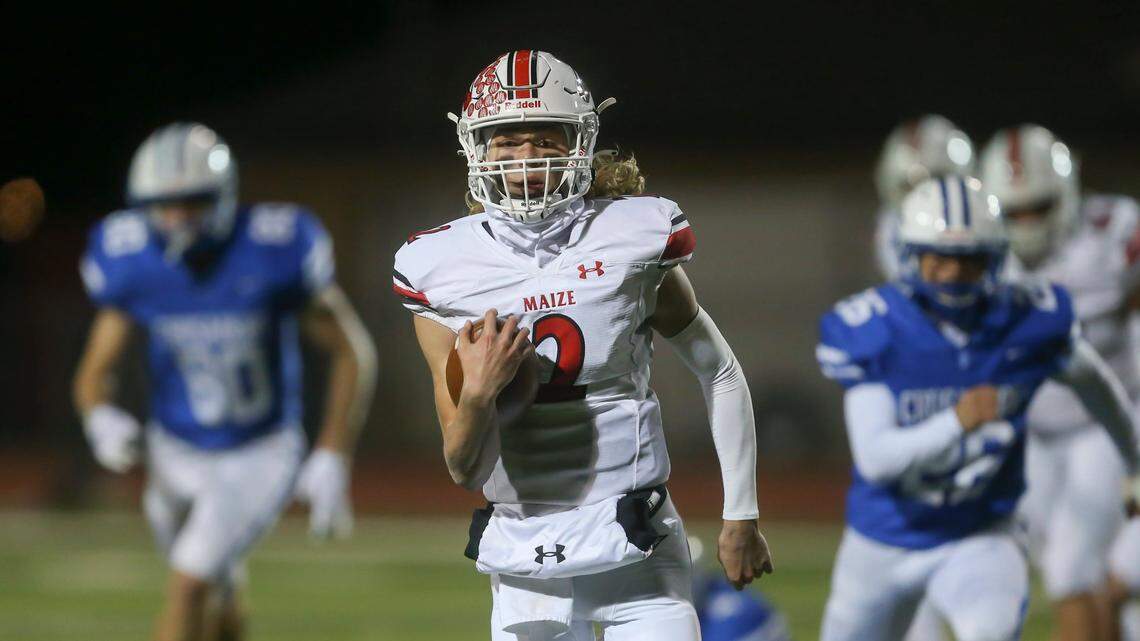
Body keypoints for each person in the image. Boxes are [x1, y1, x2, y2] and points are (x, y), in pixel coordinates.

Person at [394, 50, 772, 640]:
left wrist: (740, 513)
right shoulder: (440, 268)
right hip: (526, 556)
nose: (526, 158)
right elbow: (464, 467)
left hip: (638, 538)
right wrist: (478, 397)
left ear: (580, 142)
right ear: (476, 149)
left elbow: (718, 372)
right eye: (506, 140)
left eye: (545, 138)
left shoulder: (632, 235)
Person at [73, 122, 377, 641]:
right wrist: (98, 416)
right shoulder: (131, 259)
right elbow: (94, 370)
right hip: (172, 449)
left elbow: (352, 352)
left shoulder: (274, 247)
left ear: (222, 196)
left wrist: (332, 452)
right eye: (162, 204)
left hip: (258, 450)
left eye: (191, 201)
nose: (176, 217)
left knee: (188, 585)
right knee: (218, 595)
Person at [816, 175, 1140, 641]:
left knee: (991, 630)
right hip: (883, 539)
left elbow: (1097, 387)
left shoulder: (1030, 320)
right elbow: (876, 459)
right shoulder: (875, 331)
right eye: (940, 260)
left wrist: (1132, 464)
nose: (954, 274)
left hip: (980, 534)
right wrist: (956, 421)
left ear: (994, 257)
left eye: (969, 260)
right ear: (911, 258)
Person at [981, 124, 1140, 641]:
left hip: (1105, 424)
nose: (1026, 223)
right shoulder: (978, 252)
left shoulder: (1113, 233)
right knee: (1077, 572)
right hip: (1029, 431)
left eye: (1039, 207)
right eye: (1014, 211)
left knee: (1072, 566)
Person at [872, 115, 975, 279]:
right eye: (910, 186)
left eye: (934, 181)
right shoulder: (891, 225)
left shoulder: (980, 216)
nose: (924, 196)